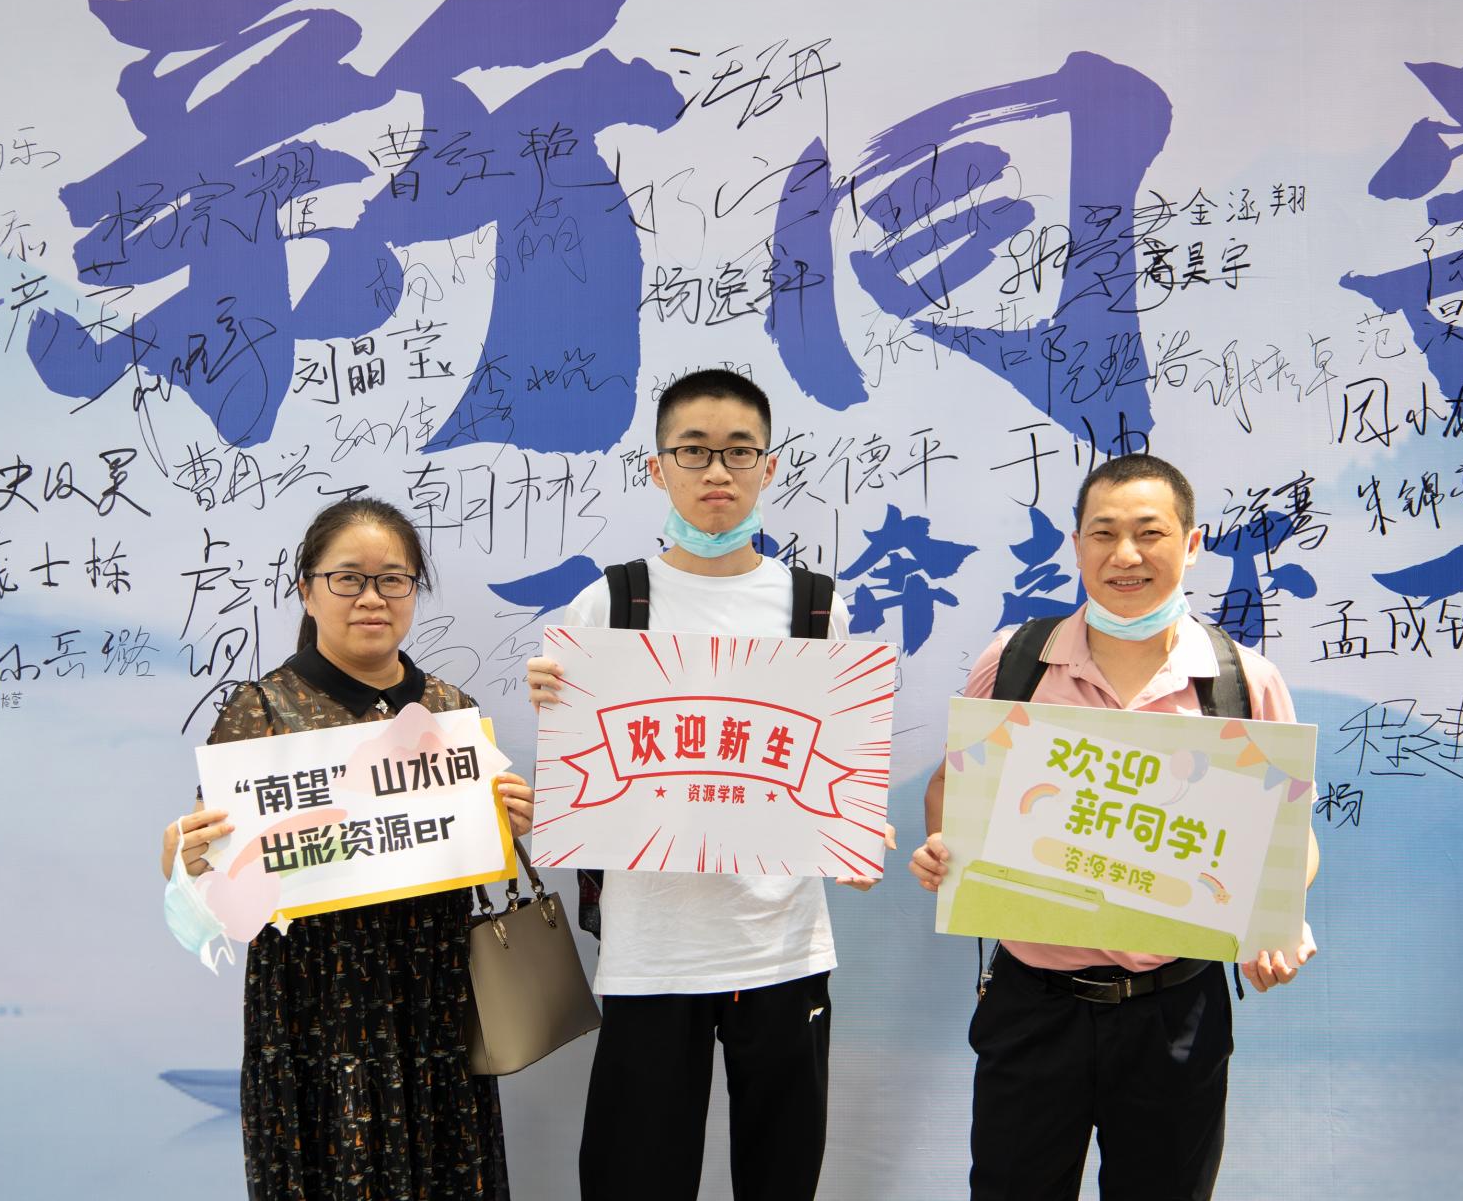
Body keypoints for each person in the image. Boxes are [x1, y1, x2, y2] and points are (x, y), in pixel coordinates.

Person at [909, 453, 1320, 1201]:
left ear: (1191, 544)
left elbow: (1291, 839)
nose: (1125, 554)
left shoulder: (1241, 679)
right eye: (1103, 533)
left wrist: (1281, 918)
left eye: (1149, 533)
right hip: (1034, 1004)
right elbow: (952, 790)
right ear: (1076, 545)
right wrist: (945, 850)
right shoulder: (1017, 660)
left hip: (1176, 1009)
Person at [526, 369, 883, 1201]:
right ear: (658, 467)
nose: (717, 470)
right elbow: (582, 776)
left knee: (781, 1175)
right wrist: (553, 700)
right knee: (634, 1178)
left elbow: (836, 766)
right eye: (694, 450)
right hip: (651, 947)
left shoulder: (815, 606)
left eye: (738, 451)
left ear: (769, 465)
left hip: (781, 943)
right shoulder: (609, 603)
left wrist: (857, 830)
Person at [160, 497, 535, 1201]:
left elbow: (473, 850)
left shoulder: (451, 709)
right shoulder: (261, 711)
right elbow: (213, 888)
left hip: (433, 991)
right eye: (348, 578)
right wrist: (184, 861)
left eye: (393, 579)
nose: (372, 597)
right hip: (313, 1002)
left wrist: (508, 824)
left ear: (414, 590)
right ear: (307, 590)